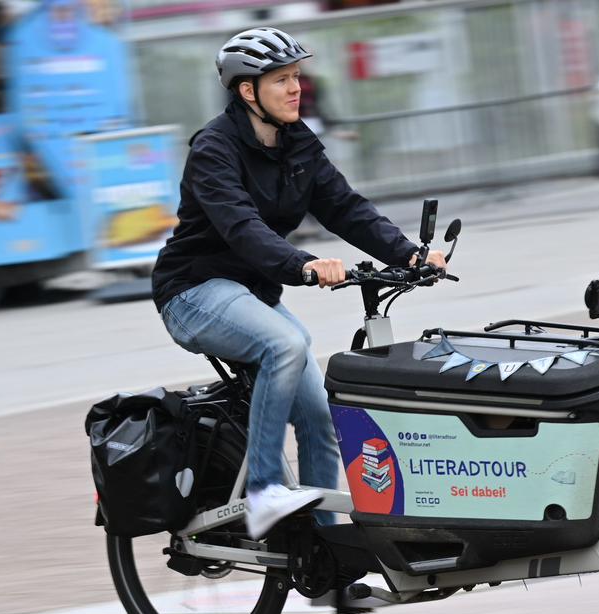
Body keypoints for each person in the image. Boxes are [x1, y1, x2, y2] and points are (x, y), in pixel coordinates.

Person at [151, 27, 446, 539]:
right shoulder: (213, 150)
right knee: (287, 343)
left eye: (297, 78)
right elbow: (242, 227)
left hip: (252, 296)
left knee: (319, 419)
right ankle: (264, 491)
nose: (296, 89)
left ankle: (329, 555)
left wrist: (410, 254)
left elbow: (345, 208)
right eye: (282, 80)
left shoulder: (297, 143)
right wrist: (305, 264)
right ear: (248, 91)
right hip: (194, 292)